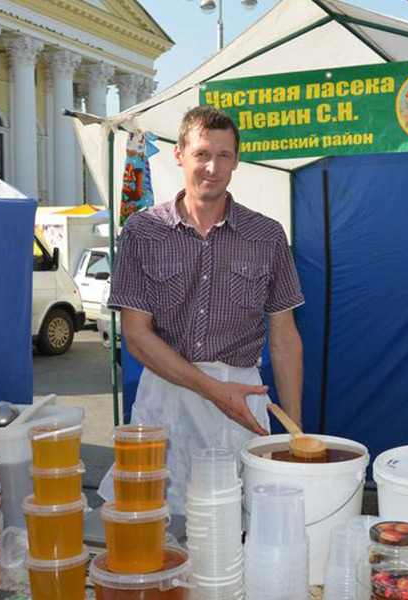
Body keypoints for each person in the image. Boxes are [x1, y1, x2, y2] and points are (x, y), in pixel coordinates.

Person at [101, 106, 304, 513]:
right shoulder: (144, 232)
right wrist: (214, 391)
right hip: (166, 394)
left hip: (241, 403)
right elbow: (137, 336)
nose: (213, 167)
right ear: (179, 154)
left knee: (239, 523)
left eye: (225, 156)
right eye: (202, 154)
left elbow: (284, 337)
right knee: (153, 519)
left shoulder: (266, 235)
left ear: (237, 160)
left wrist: (293, 436)